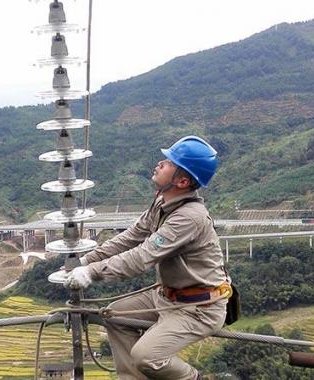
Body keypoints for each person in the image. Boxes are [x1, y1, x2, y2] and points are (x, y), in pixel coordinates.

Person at [65, 135, 229, 380]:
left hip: (198, 308)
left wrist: (91, 272)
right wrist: (86, 261)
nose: (160, 164)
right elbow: (131, 237)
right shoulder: (162, 202)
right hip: (166, 297)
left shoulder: (189, 217)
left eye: (169, 163)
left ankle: (195, 378)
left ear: (182, 181)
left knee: (146, 356)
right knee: (116, 316)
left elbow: (142, 256)